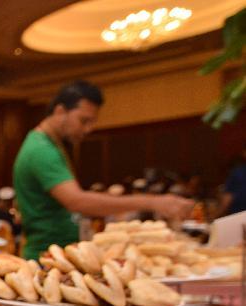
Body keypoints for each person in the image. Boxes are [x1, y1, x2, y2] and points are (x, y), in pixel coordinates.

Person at [13, 80, 194, 259]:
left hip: (58, 251)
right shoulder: (42, 149)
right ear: (60, 111)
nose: (88, 129)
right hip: (47, 255)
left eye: (92, 122)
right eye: (83, 121)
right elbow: (77, 201)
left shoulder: (51, 145)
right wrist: (154, 202)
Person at [220, 143, 246, 216]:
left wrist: (214, 216)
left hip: (238, 219)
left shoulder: (238, 173)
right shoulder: (238, 172)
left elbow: (226, 201)